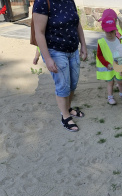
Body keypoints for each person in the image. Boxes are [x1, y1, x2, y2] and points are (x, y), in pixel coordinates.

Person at [33, 0, 87, 132]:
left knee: (73, 84)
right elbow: (39, 32)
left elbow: (77, 24)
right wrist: (47, 58)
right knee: (63, 86)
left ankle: (68, 108)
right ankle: (65, 117)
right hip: (55, 52)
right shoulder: (42, 2)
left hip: (73, 50)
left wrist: (83, 46)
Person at [96, 17, 122, 105]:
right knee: (110, 82)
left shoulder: (119, 40)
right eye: (108, 31)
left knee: (119, 81)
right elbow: (99, 55)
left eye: (112, 31)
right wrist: (106, 64)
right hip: (109, 67)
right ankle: (110, 97)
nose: (110, 34)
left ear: (115, 30)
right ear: (103, 30)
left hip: (118, 65)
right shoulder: (101, 42)